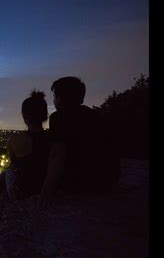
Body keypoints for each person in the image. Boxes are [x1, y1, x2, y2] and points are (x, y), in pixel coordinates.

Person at [37, 76, 120, 207]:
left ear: (59, 99)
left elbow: (58, 155)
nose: (54, 101)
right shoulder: (96, 115)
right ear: (81, 97)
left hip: (80, 184)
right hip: (106, 181)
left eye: (54, 96)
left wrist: (46, 190)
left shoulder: (58, 117)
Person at [0, 90, 50, 201]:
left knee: (9, 171)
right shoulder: (54, 138)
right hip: (47, 187)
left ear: (24, 116)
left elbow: (13, 165)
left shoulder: (15, 139)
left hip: (20, 192)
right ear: (45, 116)